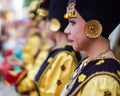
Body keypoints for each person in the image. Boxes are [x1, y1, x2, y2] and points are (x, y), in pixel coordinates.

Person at [60, 0, 120, 96]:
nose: (66, 30)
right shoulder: (87, 62)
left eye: (72, 22)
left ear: (93, 27)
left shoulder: (102, 80)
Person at [33, 0, 81, 96]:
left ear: (54, 23)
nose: (42, 24)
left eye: (46, 20)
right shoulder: (59, 51)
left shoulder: (65, 56)